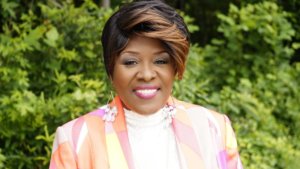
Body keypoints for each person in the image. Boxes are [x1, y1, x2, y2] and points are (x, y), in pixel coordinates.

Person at [49, 0, 243, 169]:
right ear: (111, 69)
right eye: (130, 62)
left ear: (175, 66)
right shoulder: (76, 138)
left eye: (160, 61)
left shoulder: (213, 128)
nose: (146, 75)